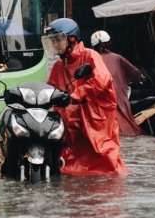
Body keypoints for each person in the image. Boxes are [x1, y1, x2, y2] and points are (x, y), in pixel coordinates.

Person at [41, 18, 128, 176]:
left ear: (72, 39)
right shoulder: (59, 65)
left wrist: (76, 95)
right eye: (52, 41)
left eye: (57, 40)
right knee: (71, 164)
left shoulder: (91, 56)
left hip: (96, 119)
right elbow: (50, 88)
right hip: (72, 123)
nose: (54, 45)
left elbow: (101, 80)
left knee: (104, 161)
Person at [91, 30, 144, 136]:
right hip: (120, 101)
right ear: (109, 43)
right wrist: (140, 78)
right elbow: (135, 73)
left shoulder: (90, 59)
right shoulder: (117, 58)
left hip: (99, 106)